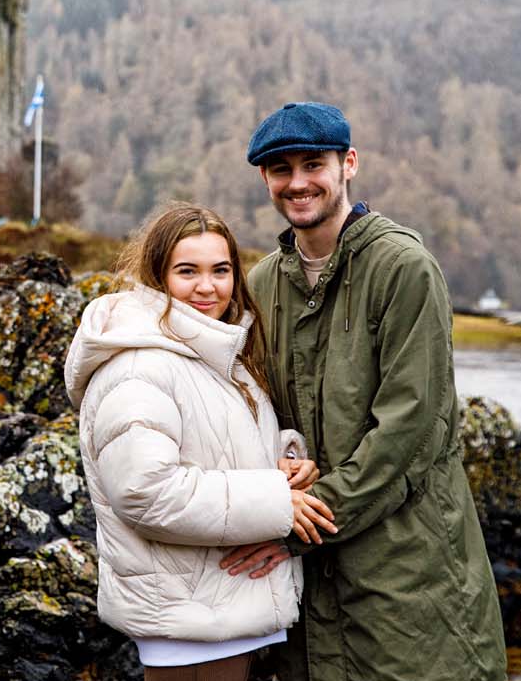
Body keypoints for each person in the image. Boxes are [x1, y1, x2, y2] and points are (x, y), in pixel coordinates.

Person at [223, 102, 505, 680]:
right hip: (307, 589)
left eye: (313, 164)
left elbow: (411, 429)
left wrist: (303, 520)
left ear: (348, 163)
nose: (298, 182)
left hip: (406, 571)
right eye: (281, 169)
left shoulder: (403, 268)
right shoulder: (261, 283)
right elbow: (256, 412)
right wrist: (282, 468)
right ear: (265, 179)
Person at [65, 203, 337, 681]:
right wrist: (277, 502)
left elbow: (214, 442)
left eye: (221, 270)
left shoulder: (206, 349)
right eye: (187, 271)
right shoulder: (139, 366)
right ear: (157, 275)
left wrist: (287, 464)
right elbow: (145, 492)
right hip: (188, 618)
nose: (207, 287)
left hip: (217, 605)